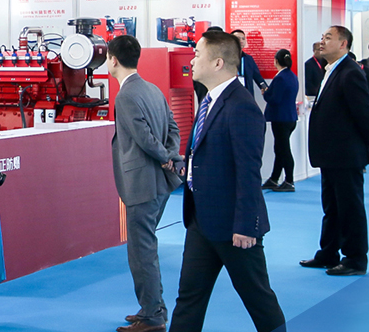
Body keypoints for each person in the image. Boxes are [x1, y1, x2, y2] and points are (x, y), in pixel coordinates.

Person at [171, 30, 286, 332]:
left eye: (197, 54)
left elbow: (248, 171)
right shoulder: (209, 99)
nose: (192, 61)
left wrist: (246, 225)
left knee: (258, 299)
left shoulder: (241, 105)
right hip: (201, 220)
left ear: (218, 62)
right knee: (188, 299)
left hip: (234, 225)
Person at [106, 35, 183, 332]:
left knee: (141, 251)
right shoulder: (153, 89)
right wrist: (171, 157)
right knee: (146, 246)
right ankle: (154, 307)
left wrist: (164, 158)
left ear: (113, 60)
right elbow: (173, 128)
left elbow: (143, 138)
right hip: (160, 184)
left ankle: (152, 315)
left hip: (141, 183)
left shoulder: (125, 96)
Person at [300, 25, 369, 276]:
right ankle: (328, 253)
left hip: (346, 154)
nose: (322, 42)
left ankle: (355, 259)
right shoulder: (331, 70)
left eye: (328, 38)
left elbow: (363, 112)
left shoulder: (350, 72)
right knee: (332, 207)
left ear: (343, 44)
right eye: (322, 37)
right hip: (331, 155)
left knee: (350, 208)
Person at [263, 49, 300, 192]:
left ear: (276, 61)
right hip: (289, 117)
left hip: (280, 119)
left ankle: (289, 180)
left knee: (283, 150)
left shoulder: (280, 78)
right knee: (279, 148)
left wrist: (265, 94)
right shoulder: (292, 76)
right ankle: (274, 178)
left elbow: (275, 99)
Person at [233, 29, 268, 95]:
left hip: (248, 95)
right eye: (238, 38)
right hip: (233, 95)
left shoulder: (248, 59)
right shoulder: (226, 58)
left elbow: (258, 77)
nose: (241, 41)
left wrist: (265, 87)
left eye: (243, 39)